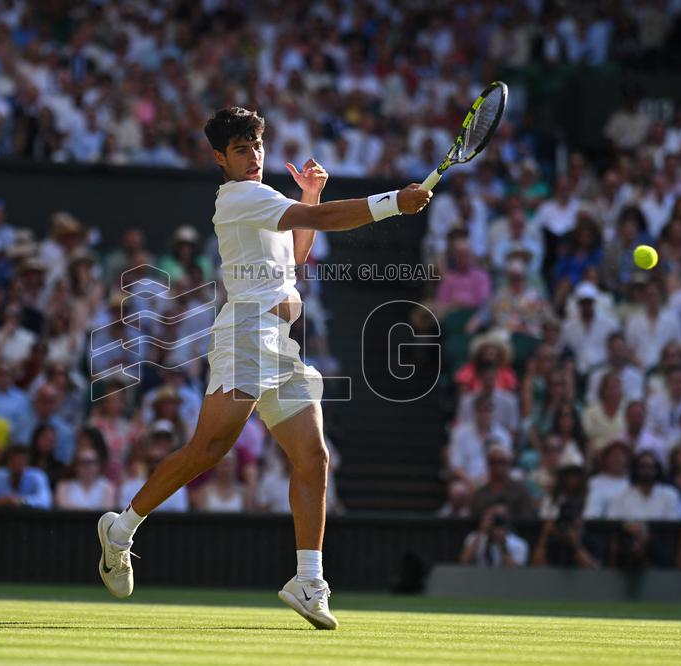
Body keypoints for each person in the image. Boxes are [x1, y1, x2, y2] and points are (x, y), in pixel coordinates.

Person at [96, 106, 432, 631]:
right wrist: (394, 203)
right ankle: (121, 529)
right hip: (245, 336)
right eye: (240, 149)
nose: (253, 156)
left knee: (314, 458)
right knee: (208, 450)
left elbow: (296, 256)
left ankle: (308, 580)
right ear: (219, 159)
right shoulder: (240, 198)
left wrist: (311, 196)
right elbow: (317, 223)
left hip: (280, 345)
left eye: (256, 145)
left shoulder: (267, 200)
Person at [606, 451, 680, 520]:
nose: (646, 471)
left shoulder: (670, 495)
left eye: (650, 467)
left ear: (657, 470)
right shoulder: (620, 496)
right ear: (635, 469)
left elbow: (672, 525)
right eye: (642, 467)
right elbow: (613, 524)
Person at [458, 502, 529, 568]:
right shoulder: (474, 537)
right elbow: (464, 561)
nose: (494, 522)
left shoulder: (519, 544)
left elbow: (515, 572)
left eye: (497, 518)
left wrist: (503, 544)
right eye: (490, 518)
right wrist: (481, 532)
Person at [0, 444, 52, 509]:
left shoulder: (38, 476)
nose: (17, 463)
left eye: (21, 461)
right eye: (14, 460)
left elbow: (45, 501)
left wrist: (21, 501)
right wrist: (2, 502)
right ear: (7, 462)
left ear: (27, 463)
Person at [56, 443, 116, 511]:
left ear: (98, 466)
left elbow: (107, 513)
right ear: (76, 466)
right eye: (83, 462)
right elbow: (63, 509)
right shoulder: (64, 486)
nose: (88, 467)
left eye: (91, 462)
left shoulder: (107, 487)